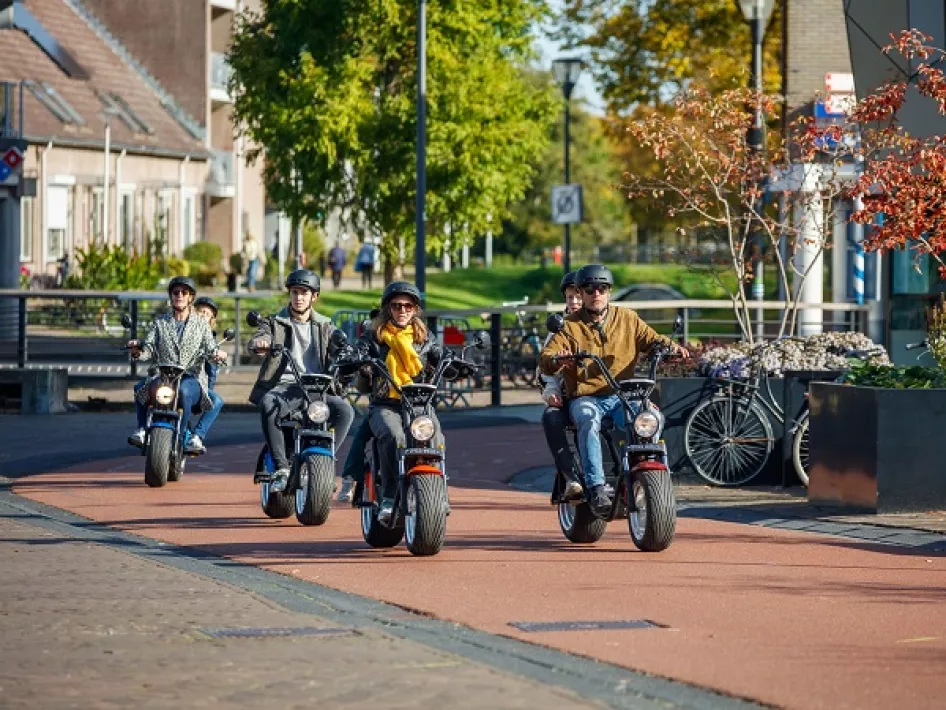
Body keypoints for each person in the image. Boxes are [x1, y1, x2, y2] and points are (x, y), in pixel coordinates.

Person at [539, 264, 688, 514]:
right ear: (581, 292)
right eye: (589, 288)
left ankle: (644, 467)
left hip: (622, 396)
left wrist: (670, 348)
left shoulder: (627, 318)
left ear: (609, 292)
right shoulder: (569, 325)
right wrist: (557, 360)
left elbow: (652, 339)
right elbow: (546, 357)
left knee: (652, 418)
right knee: (587, 418)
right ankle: (596, 486)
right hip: (586, 396)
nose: (596, 293)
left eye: (602, 288)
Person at [248, 269, 355, 492]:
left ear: (314, 296)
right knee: (269, 404)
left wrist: (348, 353)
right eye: (295, 292)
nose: (299, 297)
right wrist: (261, 343)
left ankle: (325, 460)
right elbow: (261, 335)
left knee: (346, 411)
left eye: (304, 293)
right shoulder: (275, 322)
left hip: (318, 388)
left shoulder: (325, 326)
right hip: (286, 387)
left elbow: (339, 344)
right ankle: (281, 468)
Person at [356, 282, 442, 524]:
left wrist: (454, 362)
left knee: (436, 437)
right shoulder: (374, 337)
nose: (402, 310)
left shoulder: (425, 338)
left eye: (407, 305)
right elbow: (360, 352)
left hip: (419, 405)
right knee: (394, 436)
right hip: (386, 404)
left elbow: (439, 354)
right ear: (388, 308)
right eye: (396, 305)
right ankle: (388, 496)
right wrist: (361, 363)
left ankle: (438, 490)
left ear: (415, 309)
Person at [127, 277, 227, 453]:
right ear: (171, 296)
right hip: (163, 376)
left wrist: (218, 354)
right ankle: (143, 429)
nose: (179, 295)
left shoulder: (202, 325)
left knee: (184, 392)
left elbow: (211, 347)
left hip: (191, 378)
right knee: (140, 387)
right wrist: (137, 351)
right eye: (175, 292)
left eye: (184, 292)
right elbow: (149, 347)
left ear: (191, 298)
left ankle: (186, 439)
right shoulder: (160, 323)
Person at [538, 271, 584, 500]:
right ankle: (570, 477)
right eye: (569, 297)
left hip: (601, 394)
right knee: (552, 417)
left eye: (577, 296)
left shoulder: (603, 322)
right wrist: (552, 391)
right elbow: (545, 369)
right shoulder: (559, 327)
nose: (574, 302)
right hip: (570, 396)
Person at [337, 307, 381, 504]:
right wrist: (365, 372)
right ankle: (350, 478)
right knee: (362, 435)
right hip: (382, 404)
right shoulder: (370, 343)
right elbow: (362, 388)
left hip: (413, 404)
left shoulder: (413, 338)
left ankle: (437, 485)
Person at [186, 296, 226, 454]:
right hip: (171, 378)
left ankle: (197, 435)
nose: (202, 315)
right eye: (200, 311)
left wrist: (206, 394)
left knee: (216, 401)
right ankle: (144, 430)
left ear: (211, 320)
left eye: (207, 314)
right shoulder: (181, 327)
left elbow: (211, 372)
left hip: (195, 383)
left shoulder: (211, 341)